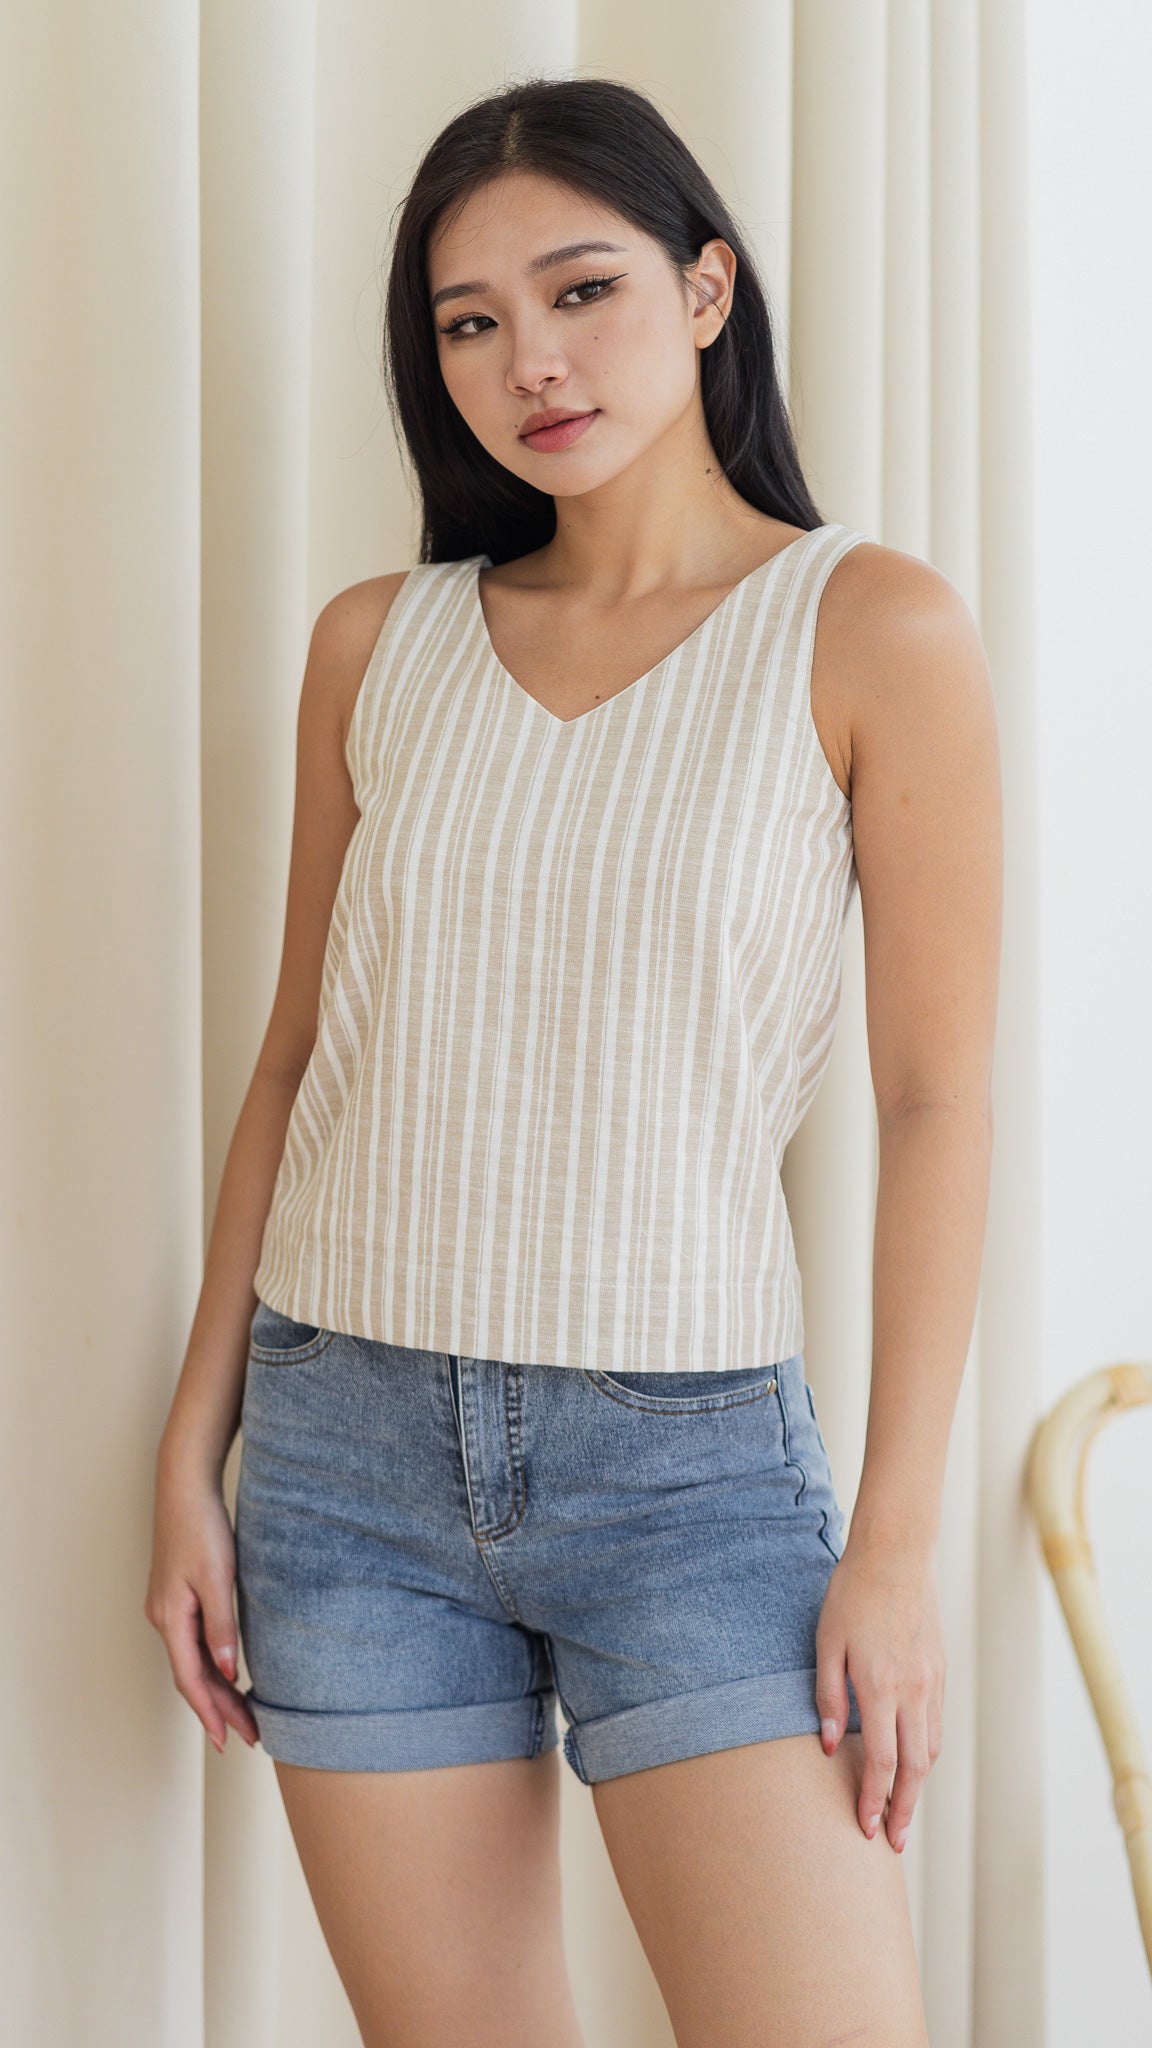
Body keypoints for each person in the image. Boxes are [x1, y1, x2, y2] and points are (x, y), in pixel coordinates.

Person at [145, 74, 1001, 2048]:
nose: (529, 359)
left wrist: (893, 1545)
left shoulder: (869, 628)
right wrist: (195, 1450)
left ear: (707, 290)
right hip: (344, 1461)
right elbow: (293, 1061)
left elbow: (935, 1102)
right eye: (470, 321)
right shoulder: (378, 643)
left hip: (692, 1477)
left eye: (581, 288)